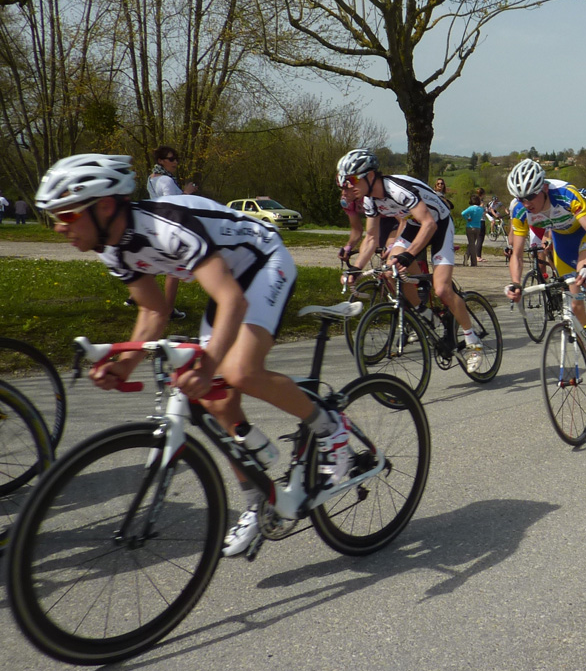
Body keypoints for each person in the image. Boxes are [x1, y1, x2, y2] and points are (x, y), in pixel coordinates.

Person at [35, 153, 352, 557]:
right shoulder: (111, 247)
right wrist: (124, 364)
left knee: (239, 371)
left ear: (105, 206)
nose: (60, 227)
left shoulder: (166, 227)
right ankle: (260, 500)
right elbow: (154, 310)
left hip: (264, 261)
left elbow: (232, 301)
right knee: (214, 396)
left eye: (68, 215)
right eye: (56, 217)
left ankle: (331, 429)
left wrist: (207, 363)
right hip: (231, 279)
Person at [337, 149, 485, 373]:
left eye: (351, 180)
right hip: (415, 225)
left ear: (369, 175)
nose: (348, 187)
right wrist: (355, 269)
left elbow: (430, 225)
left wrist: (408, 254)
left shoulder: (396, 189)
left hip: (439, 223)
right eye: (344, 183)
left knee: (442, 289)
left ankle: (472, 340)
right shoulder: (370, 201)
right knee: (388, 270)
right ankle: (424, 314)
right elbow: (370, 237)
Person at [502, 158, 586, 360]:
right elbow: (516, 254)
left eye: (531, 196)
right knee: (575, 306)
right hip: (562, 239)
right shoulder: (520, 210)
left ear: (543, 187)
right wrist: (516, 283)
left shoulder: (566, 194)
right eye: (520, 198)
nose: (526, 203)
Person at [125, 146, 196, 320]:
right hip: (169, 226)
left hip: (154, 224)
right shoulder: (166, 180)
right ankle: (169, 310)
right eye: (171, 159)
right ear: (161, 161)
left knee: (153, 262)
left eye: (176, 158)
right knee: (174, 268)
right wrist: (187, 192)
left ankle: (134, 297)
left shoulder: (152, 178)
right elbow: (171, 204)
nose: (175, 162)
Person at [462, 194, 485, 267]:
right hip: (478, 227)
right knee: (472, 243)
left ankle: (473, 261)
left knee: (471, 244)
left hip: (470, 226)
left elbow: (463, 213)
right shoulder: (481, 209)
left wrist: (467, 218)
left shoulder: (471, 208)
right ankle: (468, 258)